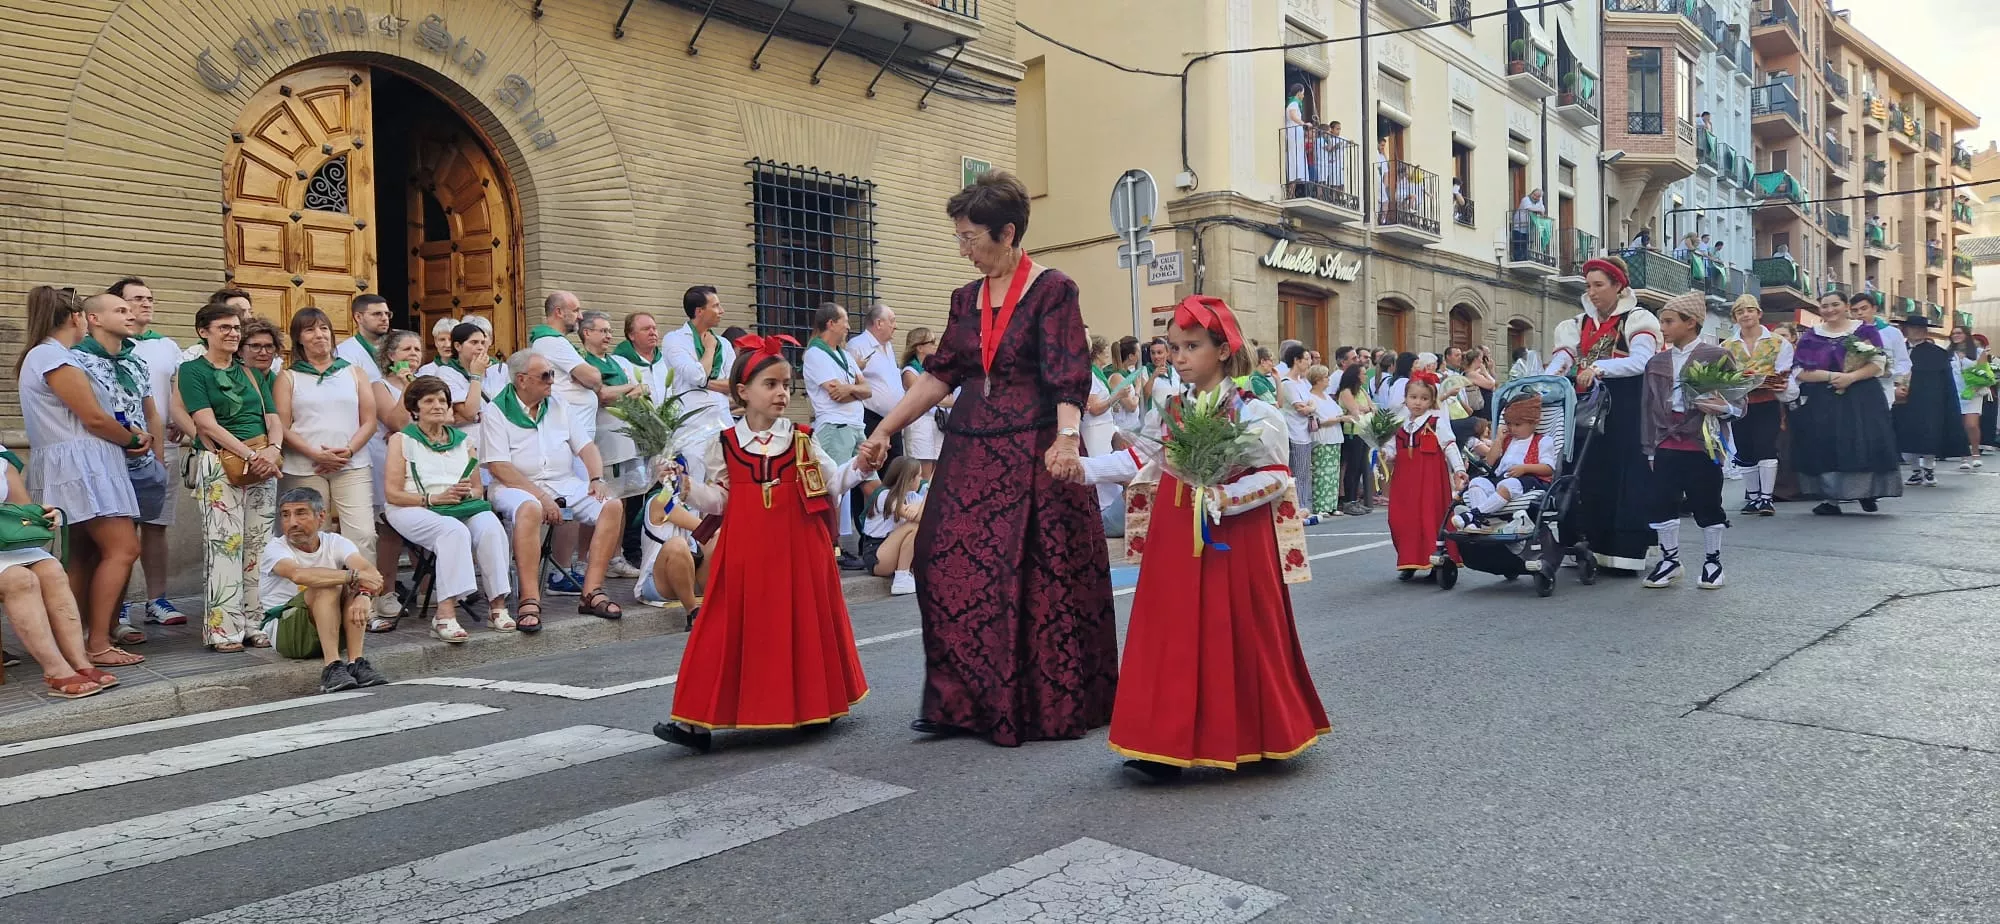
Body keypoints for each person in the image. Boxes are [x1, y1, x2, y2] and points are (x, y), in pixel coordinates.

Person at [856, 170, 1118, 746]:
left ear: (1007, 233)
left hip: (1034, 444)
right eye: (959, 238)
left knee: (1032, 573)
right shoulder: (964, 299)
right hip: (973, 444)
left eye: (970, 238)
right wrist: (887, 431)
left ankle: (1034, 705)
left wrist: (1068, 439)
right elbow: (942, 373)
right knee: (939, 555)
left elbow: (1068, 371)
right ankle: (959, 701)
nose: (964, 249)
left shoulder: (1053, 289)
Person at [1075, 295, 1327, 780]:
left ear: (1224, 350)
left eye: (1191, 346)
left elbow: (1275, 477)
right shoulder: (1169, 405)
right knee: (1168, 633)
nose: (1179, 356)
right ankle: (1159, 743)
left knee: (1238, 630)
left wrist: (1222, 498)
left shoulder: (1256, 412)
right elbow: (1144, 460)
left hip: (1234, 536)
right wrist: (1081, 469)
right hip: (1176, 531)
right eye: (1174, 346)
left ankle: (1258, 735)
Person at [653, 334, 874, 752]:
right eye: (770, 384)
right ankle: (695, 721)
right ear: (743, 391)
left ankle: (814, 706)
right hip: (744, 548)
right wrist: (685, 487)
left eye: (786, 384)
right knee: (720, 625)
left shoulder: (803, 439)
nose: (781, 393)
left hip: (800, 548)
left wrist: (861, 465)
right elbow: (721, 499)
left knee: (802, 623)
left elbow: (832, 483)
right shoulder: (724, 443)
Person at [19, 288, 147, 668]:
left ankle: (75, 639)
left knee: (85, 555)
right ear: (77, 318)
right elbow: (91, 417)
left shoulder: (48, 355)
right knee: (123, 549)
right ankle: (99, 641)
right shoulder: (51, 356)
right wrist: (132, 439)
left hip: (80, 462)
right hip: (82, 465)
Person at [481, 350, 626, 624]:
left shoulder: (559, 404)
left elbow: (586, 447)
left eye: (552, 374)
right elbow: (499, 467)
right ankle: (529, 598)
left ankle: (591, 592)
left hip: (562, 482)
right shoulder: (496, 411)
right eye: (546, 375)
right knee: (529, 508)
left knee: (611, 505)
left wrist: (596, 478)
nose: (552, 381)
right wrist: (543, 497)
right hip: (516, 486)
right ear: (522, 380)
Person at [1543, 255, 1661, 572]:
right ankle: (1579, 541)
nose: (1592, 292)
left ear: (1618, 286)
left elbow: (1641, 361)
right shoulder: (1576, 324)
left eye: (1599, 285)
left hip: (1624, 406)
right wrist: (1548, 377)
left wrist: (1598, 368)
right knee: (1579, 469)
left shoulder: (1638, 320)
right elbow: (1563, 359)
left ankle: (1621, 550)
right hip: (1583, 407)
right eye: (1588, 286)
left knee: (1621, 472)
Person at [179, 300, 282, 651]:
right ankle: (224, 630)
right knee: (225, 547)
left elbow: (273, 418)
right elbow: (205, 422)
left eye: (236, 327)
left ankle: (256, 623)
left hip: (262, 464)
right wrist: (252, 454)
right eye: (224, 327)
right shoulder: (193, 371)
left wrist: (274, 450)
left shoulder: (251, 371)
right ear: (203, 332)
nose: (233, 333)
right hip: (222, 462)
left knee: (260, 546)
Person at [72, 290, 170, 648]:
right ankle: (83, 630)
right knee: (94, 550)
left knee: (125, 548)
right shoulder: (76, 360)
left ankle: (115, 620)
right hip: (101, 465)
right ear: (94, 319)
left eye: (131, 310)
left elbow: (151, 411)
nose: (131, 315)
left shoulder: (135, 360)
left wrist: (157, 460)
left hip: (141, 465)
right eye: (120, 310)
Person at [385, 376, 515, 640]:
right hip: (412, 506)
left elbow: (479, 489)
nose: (438, 405)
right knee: (453, 531)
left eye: (442, 400)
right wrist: (433, 499)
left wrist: (465, 493)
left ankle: (497, 607)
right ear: (415, 408)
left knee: (490, 525)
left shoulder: (464, 442)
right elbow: (392, 493)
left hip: (457, 506)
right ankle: (444, 614)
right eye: (429, 400)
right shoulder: (402, 440)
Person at [1640, 293, 1744, 590]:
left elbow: (1739, 401)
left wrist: (1723, 408)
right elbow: (1647, 407)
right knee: (1661, 502)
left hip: (1703, 442)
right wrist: (1649, 447)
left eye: (1669, 321)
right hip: (1665, 442)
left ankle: (1713, 561)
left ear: (1691, 322)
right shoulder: (1656, 362)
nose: (1663, 327)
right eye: (1662, 321)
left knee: (1707, 502)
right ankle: (1670, 560)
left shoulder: (1716, 356)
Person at [0, 444, 118, 697]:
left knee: (51, 569)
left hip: (2, 543)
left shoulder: (1, 455)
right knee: (19, 579)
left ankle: (80, 662)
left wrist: (42, 515)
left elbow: (21, 508)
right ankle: (55, 670)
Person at [110, 277, 187, 629]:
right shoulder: (108, 344)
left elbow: (177, 392)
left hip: (163, 448)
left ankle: (156, 600)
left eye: (149, 298)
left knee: (156, 527)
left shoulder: (167, 346)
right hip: (119, 449)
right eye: (137, 298)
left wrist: (179, 423)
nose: (146, 303)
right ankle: (119, 605)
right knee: (121, 528)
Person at [275, 307, 378, 570]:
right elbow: (281, 427)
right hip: (304, 467)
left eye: (323, 328)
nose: (319, 335)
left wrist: (348, 451)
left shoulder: (354, 373)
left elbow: (369, 421)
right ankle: (314, 602)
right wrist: (315, 454)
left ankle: (364, 601)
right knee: (308, 534)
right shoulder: (288, 377)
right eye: (310, 330)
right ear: (299, 338)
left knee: (363, 534)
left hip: (351, 465)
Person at [259, 486, 388, 693]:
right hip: (289, 634)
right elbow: (298, 574)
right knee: (331, 584)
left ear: (321, 517)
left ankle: (356, 662)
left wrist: (363, 596)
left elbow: (369, 572)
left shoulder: (336, 542)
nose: (292, 522)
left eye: (300, 513)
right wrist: (353, 577)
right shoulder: (275, 548)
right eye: (286, 515)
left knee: (353, 588)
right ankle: (331, 667)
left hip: (332, 631)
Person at [1789, 292, 1901, 513]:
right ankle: (1831, 499)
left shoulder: (1864, 330)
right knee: (1827, 445)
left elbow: (1879, 363)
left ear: (1846, 306)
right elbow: (1799, 370)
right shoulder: (1812, 336)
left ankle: (1867, 491)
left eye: (1835, 305)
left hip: (1862, 395)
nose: (1830, 310)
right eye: (1825, 306)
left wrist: (1851, 377)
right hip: (1824, 397)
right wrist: (1832, 377)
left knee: (1863, 443)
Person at [578, 309, 647, 581]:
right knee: (599, 500)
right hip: (602, 441)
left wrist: (629, 390)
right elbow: (603, 395)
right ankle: (587, 560)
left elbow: (640, 389)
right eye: (603, 330)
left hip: (626, 441)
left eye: (609, 331)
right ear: (586, 333)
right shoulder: (584, 362)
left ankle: (615, 557)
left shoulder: (618, 361)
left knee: (623, 502)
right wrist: (628, 390)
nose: (609, 335)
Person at [363, 330, 421, 630]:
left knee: (420, 523)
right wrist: (408, 388)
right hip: (387, 462)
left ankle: (425, 586)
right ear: (390, 355)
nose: (414, 354)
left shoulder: (423, 384)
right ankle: (385, 592)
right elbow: (398, 421)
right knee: (389, 531)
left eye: (418, 349)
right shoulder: (379, 386)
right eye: (407, 349)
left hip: (421, 465)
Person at [1384, 372, 1465, 577]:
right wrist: (1384, 453)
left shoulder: (1436, 422)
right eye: (1413, 397)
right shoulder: (1398, 424)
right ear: (1406, 398)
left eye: (1424, 398)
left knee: (1430, 518)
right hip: (1404, 481)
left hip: (1430, 481)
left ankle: (1435, 558)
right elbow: (1392, 451)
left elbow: (1450, 446)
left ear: (1431, 400)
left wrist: (1459, 470)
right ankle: (1408, 560)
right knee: (1401, 519)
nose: (1418, 402)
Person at [1723, 294, 1794, 515]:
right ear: (1735, 318)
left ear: (1759, 313)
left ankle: (1766, 498)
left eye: (1750, 310)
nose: (1745, 315)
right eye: (1740, 311)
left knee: (1766, 447)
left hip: (1767, 401)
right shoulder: (1727, 346)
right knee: (1745, 450)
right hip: (1741, 403)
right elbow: (1725, 375)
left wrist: (1772, 381)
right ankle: (1753, 497)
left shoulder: (1777, 342)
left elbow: (1784, 369)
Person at [661, 285, 737, 487]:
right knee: (692, 489)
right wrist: (709, 349)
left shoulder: (724, 344)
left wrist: (705, 383)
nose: (722, 311)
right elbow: (696, 375)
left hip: (722, 423)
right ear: (699, 311)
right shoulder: (674, 339)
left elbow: (734, 384)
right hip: (692, 428)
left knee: (726, 487)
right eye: (716, 306)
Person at [1451, 397, 1557, 532]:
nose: (1512, 428)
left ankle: (1473, 515)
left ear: (1534, 423)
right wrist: (1499, 439)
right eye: (1509, 424)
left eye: (1517, 425)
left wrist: (1524, 468)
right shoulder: (1508, 440)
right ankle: (1483, 522)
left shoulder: (1542, 441)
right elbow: (1489, 462)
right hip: (1501, 478)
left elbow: (1549, 469)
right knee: (1477, 482)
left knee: (1508, 485)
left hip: (1529, 479)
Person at [1893, 313, 1968, 486]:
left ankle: (1928, 469)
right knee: (1904, 435)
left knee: (1929, 436)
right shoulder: (1899, 350)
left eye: (1921, 329)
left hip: (1929, 401)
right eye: (1913, 328)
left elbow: (1945, 381)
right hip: (1902, 399)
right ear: (1906, 330)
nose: (1917, 332)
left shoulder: (1937, 353)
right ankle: (1915, 471)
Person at [863, 456, 927, 595]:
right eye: (919, 476)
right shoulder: (885, 495)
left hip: (890, 550)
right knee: (913, 526)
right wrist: (924, 503)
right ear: (909, 479)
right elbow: (915, 516)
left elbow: (932, 515)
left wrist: (918, 505)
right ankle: (902, 578)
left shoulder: (911, 496)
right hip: (877, 555)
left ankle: (908, 573)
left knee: (923, 528)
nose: (921, 479)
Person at [899, 327, 946, 481]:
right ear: (919, 347)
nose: (935, 345)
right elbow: (925, 397)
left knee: (937, 472)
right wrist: (939, 396)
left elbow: (945, 396)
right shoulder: (909, 371)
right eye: (931, 342)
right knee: (923, 473)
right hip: (919, 423)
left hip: (936, 423)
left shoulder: (932, 369)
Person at [1335, 363, 1375, 516]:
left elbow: (1373, 407)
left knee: (1359, 467)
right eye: (1363, 374)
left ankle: (1355, 499)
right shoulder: (1346, 391)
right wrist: (1366, 409)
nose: (1365, 376)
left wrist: (1366, 409)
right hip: (1352, 433)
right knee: (1352, 468)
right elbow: (1355, 411)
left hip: (1364, 431)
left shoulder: (1362, 390)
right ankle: (1348, 501)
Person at [1308, 364, 1347, 517]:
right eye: (1325, 377)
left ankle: (1331, 504)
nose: (1328, 380)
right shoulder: (1311, 398)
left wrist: (1340, 418)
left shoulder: (1327, 397)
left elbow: (1338, 412)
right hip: (1322, 437)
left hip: (1334, 436)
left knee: (1333, 472)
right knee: (1321, 472)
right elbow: (1319, 420)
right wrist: (1338, 419)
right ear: (1317, 380)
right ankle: (1321, 505)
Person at [1949, 329, 1987, 469]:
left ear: (1966, 335)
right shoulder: (1948, 354)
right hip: (1954, 392)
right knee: (1959, 426)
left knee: (1971, 425)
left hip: (1972, 392)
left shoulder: (1978, 352)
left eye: (1959, 333)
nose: (1956, 336)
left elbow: (1985, 372)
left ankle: (1975, 453)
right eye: (1953, 334)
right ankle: (1963, 456)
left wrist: (1974, 388)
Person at [335, 294, 393, 384]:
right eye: (377, 314)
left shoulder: (397, 347)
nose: (385, 318)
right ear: (358, 317)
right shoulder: (345, 352)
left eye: (387, 314)